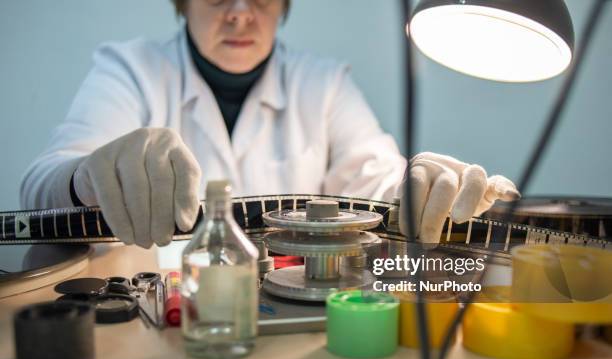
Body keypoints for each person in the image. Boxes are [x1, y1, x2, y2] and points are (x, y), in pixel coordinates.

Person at [20, 0, 519, 249]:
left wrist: (420, 184)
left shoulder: (322, 83)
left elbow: (376, 180)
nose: (240, 14)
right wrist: (87, 176)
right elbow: (40, 187)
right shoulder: (130, 68)